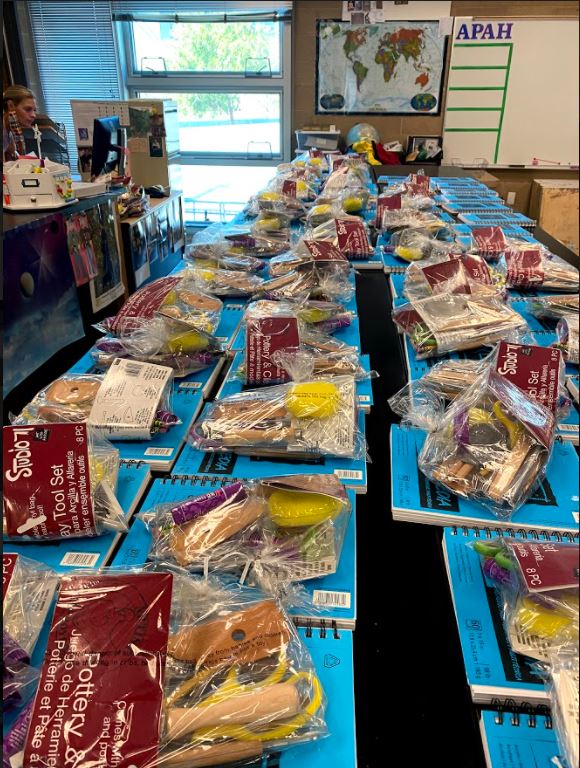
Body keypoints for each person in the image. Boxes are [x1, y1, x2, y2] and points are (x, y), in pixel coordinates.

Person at [3, 85, 37, 161]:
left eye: (34, 110)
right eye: (28, 109)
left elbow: (13, 149)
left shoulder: (8, 131)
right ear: (11, 106)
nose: (33, 115)